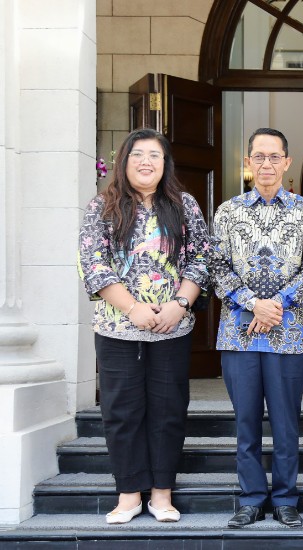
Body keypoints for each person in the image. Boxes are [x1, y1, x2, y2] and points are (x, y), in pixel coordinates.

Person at [78, 128, 210, 524]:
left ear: (165, 163)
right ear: (124, 161)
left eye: (155, 154)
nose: (146, 161)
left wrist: (180, 304)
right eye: (138, 154)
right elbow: (93, 263)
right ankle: (129, 494)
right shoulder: (103, 206)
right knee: (121, 411)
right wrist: (133, 307)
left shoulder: (183, 205)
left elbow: (202, 258)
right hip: (117, 329)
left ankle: (162, 494)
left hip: (172, 327)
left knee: (168, 410)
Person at [209, 128, 303, 529]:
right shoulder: (227, 211)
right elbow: (217, 268)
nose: (266, 164)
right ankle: (252, 498)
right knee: (245, 422)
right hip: (238, 334)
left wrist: (278, 306)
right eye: (259, 156)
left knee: (286, 421)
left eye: (275, 157)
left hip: (289, 334)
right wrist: (253, 303)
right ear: (248, 162)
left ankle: (286, 498)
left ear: (287, 162)